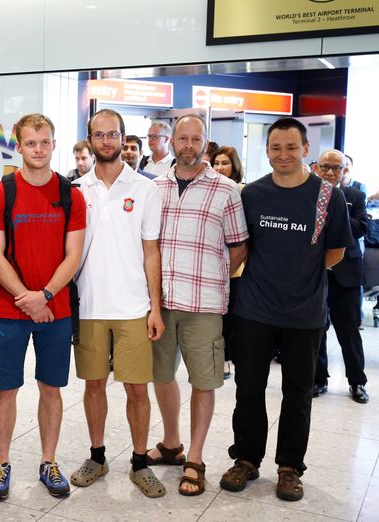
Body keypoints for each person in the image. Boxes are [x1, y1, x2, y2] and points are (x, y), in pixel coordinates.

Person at [221, 118, 352, 502]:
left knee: (298, 393)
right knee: (249, 389)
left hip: (304, 312)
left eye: (291, 147)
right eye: (276, 147)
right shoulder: (253, 194)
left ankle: (290, 467)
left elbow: (335, 252)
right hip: (254, 309)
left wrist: (300, 276)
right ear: (267, 151)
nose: (283, 155)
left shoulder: (329, 196)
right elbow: (242, 246)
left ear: (305, 150)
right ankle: (246, 459)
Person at [0, 113, 85, 500]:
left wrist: (44, 296)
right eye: (30, 143)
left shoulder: (71, 194)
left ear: (54, 144)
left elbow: (73, 255)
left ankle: (48, 461)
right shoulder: (1, 192)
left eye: (44, 142)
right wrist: (28, 298)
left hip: (55, 310)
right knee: (6, 389)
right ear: (19, 146)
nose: (38, 149)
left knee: (51, 388)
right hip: (11, 310)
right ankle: (2, 462)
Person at [150, 114, 248, 496]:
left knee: (203, 381)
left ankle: (195, 456)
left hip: (204, 304)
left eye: (196, 139)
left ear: (205, 144)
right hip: (160, 303)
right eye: (182, 138)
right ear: (172, 142)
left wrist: (215, 276)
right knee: (161, 375)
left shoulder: (226, 190)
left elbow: (239, 247)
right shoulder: (154, 187)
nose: (188, 145)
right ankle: (172, 444)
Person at [69, 109, 165, 498]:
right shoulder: (76, 190)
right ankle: (97, 456)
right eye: (99, 134)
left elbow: (152, 253)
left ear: (124, 139)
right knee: (94, 385)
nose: (106, 141)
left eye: (113, 135)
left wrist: (154, 307)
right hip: (89, 307)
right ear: (90, 139)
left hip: (133, 308)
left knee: (137, 390)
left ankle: (140, 462)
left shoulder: (145, 188)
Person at [311, 149, 369, 403]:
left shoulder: (355, 196)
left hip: (345, 272)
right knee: (316, 329)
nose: (331, 172)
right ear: (316, 168)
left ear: (346, 170)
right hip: (316, 271)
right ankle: (319, 379)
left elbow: (361, 227)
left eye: (337, 168)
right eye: (326, 167)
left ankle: (357, 382)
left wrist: (334, 213)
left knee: (348, 331)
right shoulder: (308, 193)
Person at [211, 145, 245, 378]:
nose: (220, 168)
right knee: (218, 318)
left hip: (235, 268)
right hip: (212, 265)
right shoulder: (210, 190)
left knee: (231, 316)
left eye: (225, 163)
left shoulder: (242, 191)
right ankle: (221, 358)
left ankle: (229, 358)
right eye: (216, 163)